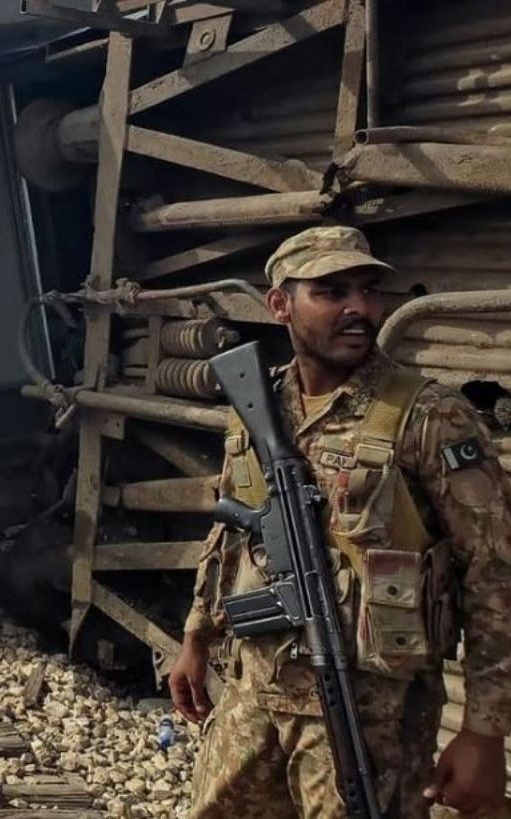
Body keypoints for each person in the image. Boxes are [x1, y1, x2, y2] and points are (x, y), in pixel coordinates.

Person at [171, 226, 511, 816]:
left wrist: (485, 730)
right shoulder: (258, 403)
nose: (358, 308)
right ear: (280, 305)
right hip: (255, 694)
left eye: (368, 290)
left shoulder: (429, 416)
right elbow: (232, 531)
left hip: (368, 716)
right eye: (331, 291)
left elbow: (495, 572)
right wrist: (197, 635)